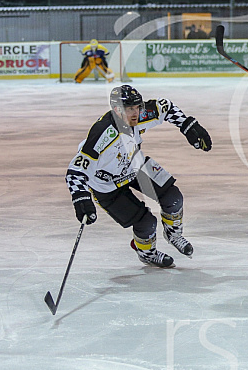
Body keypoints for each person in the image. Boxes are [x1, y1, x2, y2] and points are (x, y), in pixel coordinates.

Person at [65, 85, 212, 268]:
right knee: (146, 223)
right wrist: (81, 198)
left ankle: (173, 234)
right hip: (107, 186)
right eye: (130, 109)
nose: (136, 113)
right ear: (117, 109)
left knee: (174, 199)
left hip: (134, 166)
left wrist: (188, 125)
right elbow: (75, 171)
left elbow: (165, 106)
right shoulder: (103, 134)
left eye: (137, 107)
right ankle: (146, 253)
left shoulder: (139, 116)